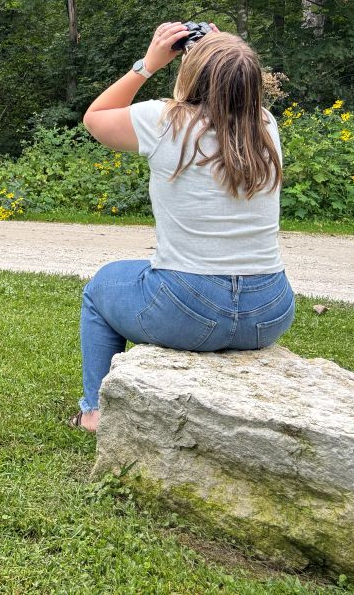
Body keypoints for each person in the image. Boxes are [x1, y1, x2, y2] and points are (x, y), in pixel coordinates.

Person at [70, 22, 295, 434]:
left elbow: (95, 117)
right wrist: (225, 48)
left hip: (189, 309)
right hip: (269, 310)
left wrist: (148, 64)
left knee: (102, 287)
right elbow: (230, 82)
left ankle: (95, 412)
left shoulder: (164, 120)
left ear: (193, 72)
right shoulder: (264, 126)